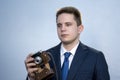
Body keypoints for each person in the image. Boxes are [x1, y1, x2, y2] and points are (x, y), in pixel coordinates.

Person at [25, 6, 110, 80]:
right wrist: (32, 78)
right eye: (59, 25)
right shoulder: (46, 56)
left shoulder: (96, 57)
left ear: (80, 28)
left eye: (68, 24)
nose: (62, 29)